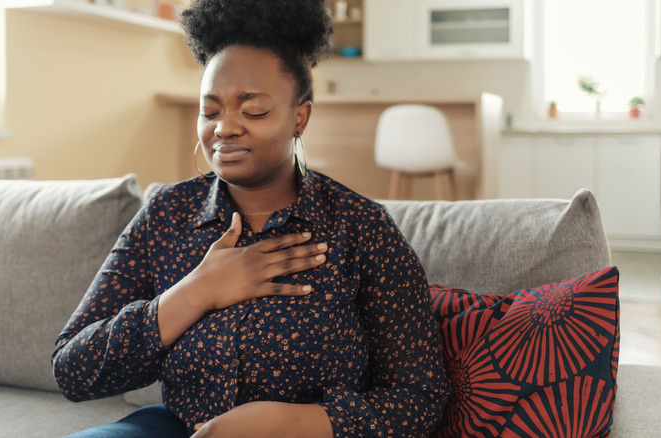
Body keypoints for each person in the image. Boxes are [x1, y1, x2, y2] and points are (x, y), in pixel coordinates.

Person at [52, 0, 450, 436]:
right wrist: (197, 291)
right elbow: (73, 370)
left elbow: (420, 399)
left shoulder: (360, 228)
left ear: (300, 117)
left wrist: (291, 421)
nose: (224, 127)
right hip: (174, 427)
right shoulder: (166, 215)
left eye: (253, 110)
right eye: (211, 110)